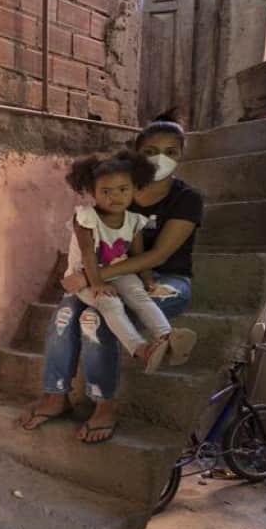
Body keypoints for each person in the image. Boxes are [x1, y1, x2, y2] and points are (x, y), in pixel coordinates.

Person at [21, 118, 205, 443]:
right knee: (64, 315)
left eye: (170, 152)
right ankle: (55, 394)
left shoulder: (186, 198)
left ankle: (104, 403)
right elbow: (88, 241)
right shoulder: (116, 188)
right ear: (135, 154)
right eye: (150, 151)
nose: (159, 158)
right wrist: (87, 276)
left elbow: (157, 256)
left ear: (181, 155)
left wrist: (89, 277)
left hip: (164, 280)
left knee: (96, 318)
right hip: (107, 274)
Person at [63, 150, 194, 374]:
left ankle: (167, 336)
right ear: (92, 192)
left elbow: (137, 254)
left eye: (123, 189)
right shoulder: (85, 218)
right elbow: (88, 254)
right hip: (85, 276)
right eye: (106, 191)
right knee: (110, 304)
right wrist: (96, 284)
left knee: (138, 294)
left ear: (134, 189)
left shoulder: (134, 221)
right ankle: (142, 350)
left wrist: (148, 279)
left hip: (117, 271)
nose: (115, 196)